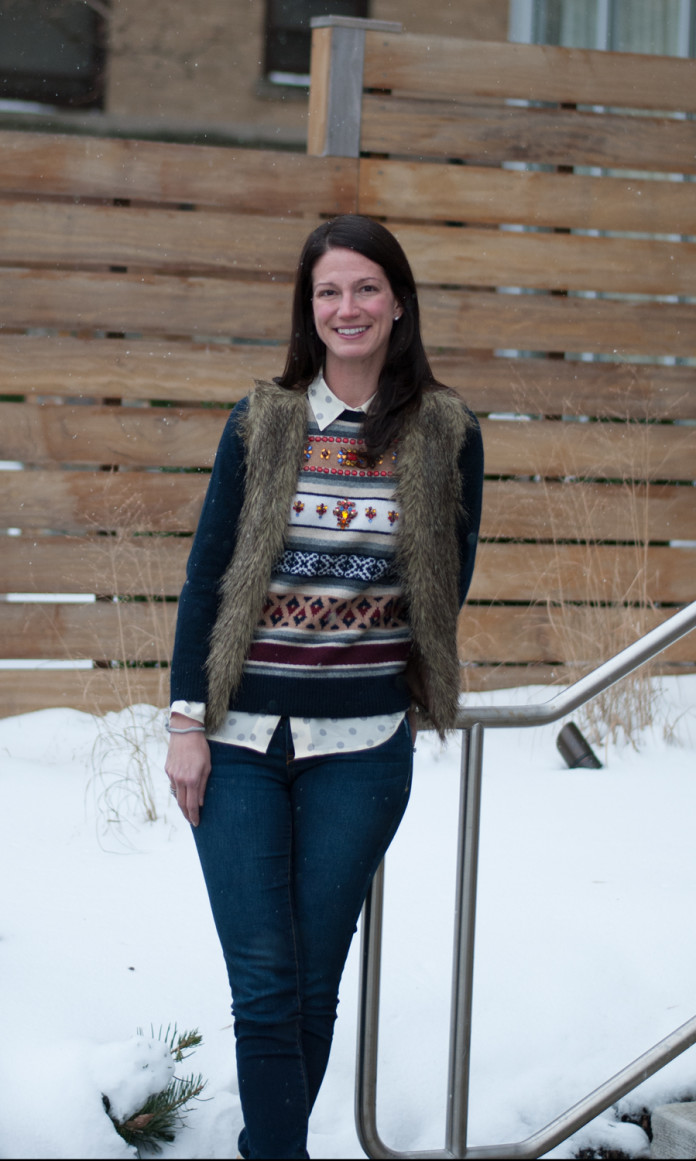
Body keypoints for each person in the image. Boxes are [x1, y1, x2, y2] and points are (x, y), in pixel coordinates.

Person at [165, 214, 484, 1159]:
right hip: (239, 742)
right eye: (328, 292)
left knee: (310, 985)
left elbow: (446, 580)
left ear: (399, 302)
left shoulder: (445, 432)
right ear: (311, 311)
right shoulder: (262, 421)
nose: (348, 307)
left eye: (365, 288)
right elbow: (208, 573)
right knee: (264, 984)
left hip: (362, 750)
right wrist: (187, 719)